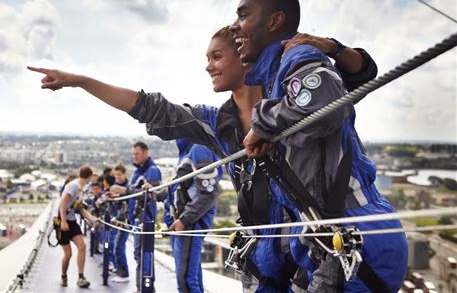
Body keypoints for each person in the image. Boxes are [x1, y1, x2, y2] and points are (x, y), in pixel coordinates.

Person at [28, 30, 377, 292]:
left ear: (245, 56)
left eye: (216, 56)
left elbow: (353, 81)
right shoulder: (217, 125)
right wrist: (83, 82)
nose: (207, 65)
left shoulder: (291, 105)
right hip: (268, 256)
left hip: (317, 248)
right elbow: (152, 108)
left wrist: (330, 47)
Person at [233, 0, 408, 292]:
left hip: (357, 243)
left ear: (274, 21)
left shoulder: (296, 55)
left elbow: (323, 105)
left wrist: (262, 123)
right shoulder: (280, 72)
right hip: (338, 241)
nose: (235, 26)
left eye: (243, 15)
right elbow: (359, 74)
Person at [159, 139, 221, 293]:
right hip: (182, 222)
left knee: (186, 278)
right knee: (191, 276)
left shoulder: (200, 148)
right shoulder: (187, 152)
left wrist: (184, 220)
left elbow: (209, 193)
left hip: (190, 222)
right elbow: (176, 189)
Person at [110, 142, 161, 292]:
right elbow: (132, 193)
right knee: (138, 254)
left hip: (145, 218)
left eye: (137, 154)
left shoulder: (152, 171)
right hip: (137, 218)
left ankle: (146, 288)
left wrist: (125, 190)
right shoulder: (137, 172)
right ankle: (142, 288)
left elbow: (151, 195)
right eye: (133, 154)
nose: (134, 156)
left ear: (146, 153)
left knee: (144, 254)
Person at [57, 166, 99, 288]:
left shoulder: (80, 189)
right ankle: (64, 276)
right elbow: (63, 203)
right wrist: (63, 222)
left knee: (82, 246)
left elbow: (79, 209)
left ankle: (81, 277)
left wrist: (92, 219)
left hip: (72, 220)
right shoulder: (73, 186)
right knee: (68, 254)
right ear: (89, 177)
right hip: (63, 221)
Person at [110, 163, 132, 282]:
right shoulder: (116, 186)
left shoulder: (128, 187)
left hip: (126, 221)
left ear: (124, 174)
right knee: (117, 245)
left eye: (119, 174)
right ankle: (121, 272)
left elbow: (128, 205)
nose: (117, 177)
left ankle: (124, 274)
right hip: (120, 219)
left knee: (118, 245)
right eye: (115, 175)